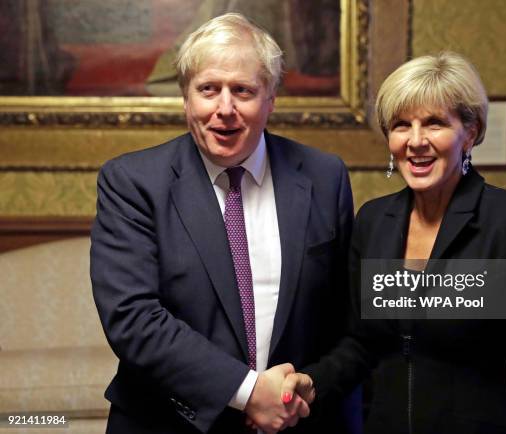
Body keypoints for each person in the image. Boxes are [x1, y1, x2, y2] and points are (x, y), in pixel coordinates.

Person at [90, 13, 353, 434]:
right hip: (167, 423)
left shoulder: (325, 177)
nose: (224, 109)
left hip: (296, 424)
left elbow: (346, 317)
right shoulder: (133, 182)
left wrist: (305, 389)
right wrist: (250, 392)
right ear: (186, 98)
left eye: (243, 91)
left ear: (271, 99)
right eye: (208, 89)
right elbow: (132, 317)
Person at [284, 52, 506, 434]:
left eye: (434, 123)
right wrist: (310, 384)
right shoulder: (372, 220)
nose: (415, 141)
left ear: (470, 132)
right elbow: (360, 344)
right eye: (401, 125)